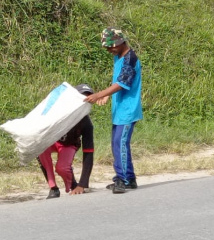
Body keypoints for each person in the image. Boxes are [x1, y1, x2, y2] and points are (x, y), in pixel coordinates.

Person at [84, 27, 143, 194]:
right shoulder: (119, 57)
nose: (109, 50)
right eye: (107, 47)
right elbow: (118, 81)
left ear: (120, 42)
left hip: (128, 109)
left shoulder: (130, 59)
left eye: (111, 46)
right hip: (119, 108)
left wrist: (99, 94)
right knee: (116, 143)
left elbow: (123, 83)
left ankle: (122, 180)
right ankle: (129, 179)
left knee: (120, 143)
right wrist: (108, 96)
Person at [39, 84, 95, 199]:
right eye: (81, 97)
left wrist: (82, 184)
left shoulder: (86, 123)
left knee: (62, 168)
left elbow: (88, 152)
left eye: (87, 99)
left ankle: (73, 184)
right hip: (53, 141)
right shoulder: (58, 111)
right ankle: (53, 188)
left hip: (69, 144)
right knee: (39, 148)